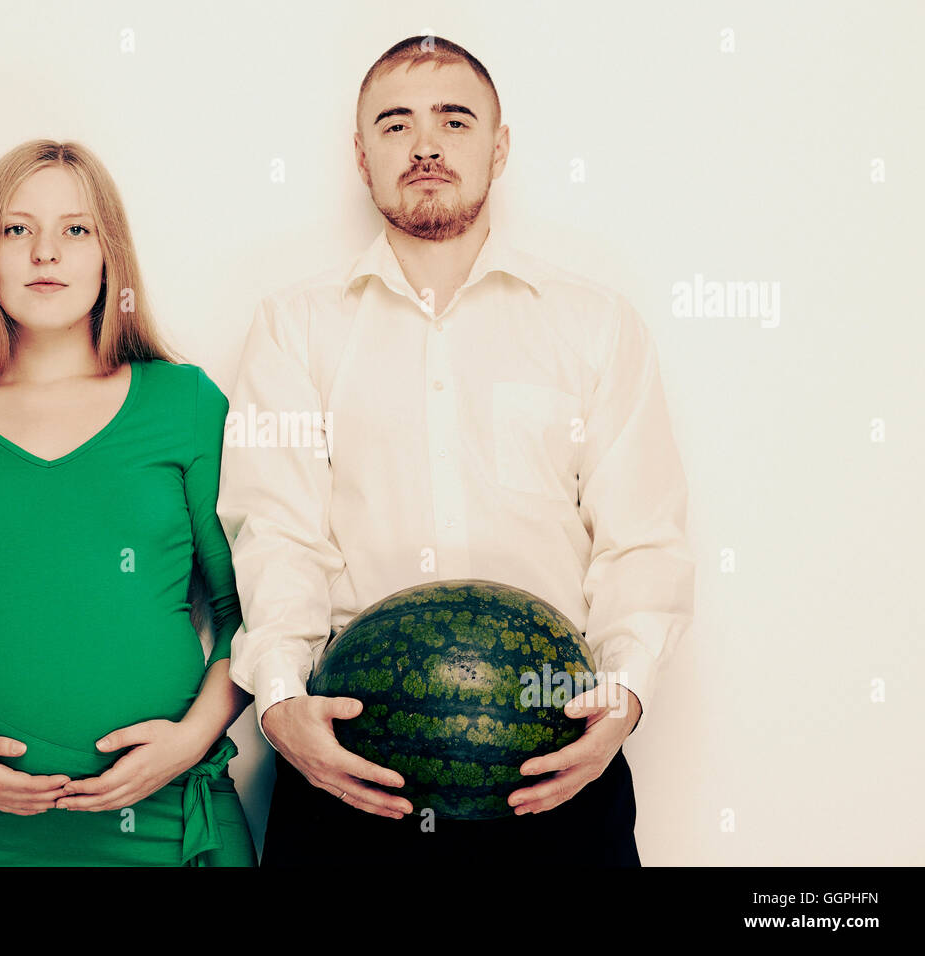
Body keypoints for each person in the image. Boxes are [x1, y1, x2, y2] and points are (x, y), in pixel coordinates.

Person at [218, 36, 696, 866]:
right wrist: (284, 702)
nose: (427, 144)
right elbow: (277, 534)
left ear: (499, 147)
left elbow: (642, 542)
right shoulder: (293, 326)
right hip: (347, 771)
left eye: (455, 119)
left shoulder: (594, 324)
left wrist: (625, 696)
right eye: (395, 123)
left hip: (557, 774)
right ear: (361, 155)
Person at [0, 139, 255, 866]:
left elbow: (253, 609)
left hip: (161, 818)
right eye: (17, 229)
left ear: (107, 254)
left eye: (76, 230)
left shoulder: (183, 404)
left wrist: (186, 744)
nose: (46, 254)